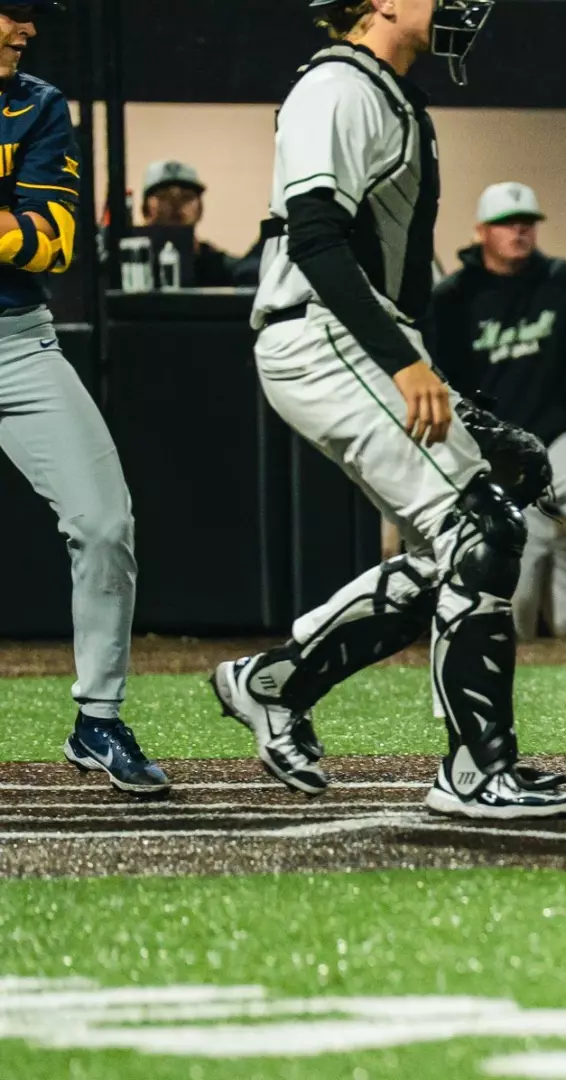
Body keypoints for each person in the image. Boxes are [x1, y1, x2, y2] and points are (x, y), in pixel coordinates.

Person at [208, 0, 566, 820]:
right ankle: (475, 772)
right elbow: (314, 237)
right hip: (318, 331)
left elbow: (395, 277)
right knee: (480, 530)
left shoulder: (388, 91)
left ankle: (275, 682)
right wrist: (406, 363)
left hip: (354, 335)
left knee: (479, 523)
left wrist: (433, 377)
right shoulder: (338, 87)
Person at [0, 4, 159, 794]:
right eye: (8, 14)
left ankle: (97, 718)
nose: (23, 30)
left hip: (17, 343)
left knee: (104, 523)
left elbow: (49, 243)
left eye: (29, 17)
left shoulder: (38, 104)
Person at [426, 180, 566, 640]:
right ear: (481, 231)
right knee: (514, 600)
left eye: (526, 224)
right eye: (506, 224)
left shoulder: (563, 280)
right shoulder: (452, 297)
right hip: (492, 454)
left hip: (558, 441)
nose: (518, 232)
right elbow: (447, 383)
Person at [139, 159, 239, 287]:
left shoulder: (223, 268)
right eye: (164, 197)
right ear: (145, 209)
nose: (175, 204)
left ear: (200, 209)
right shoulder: (131, 266)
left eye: (186, 197)